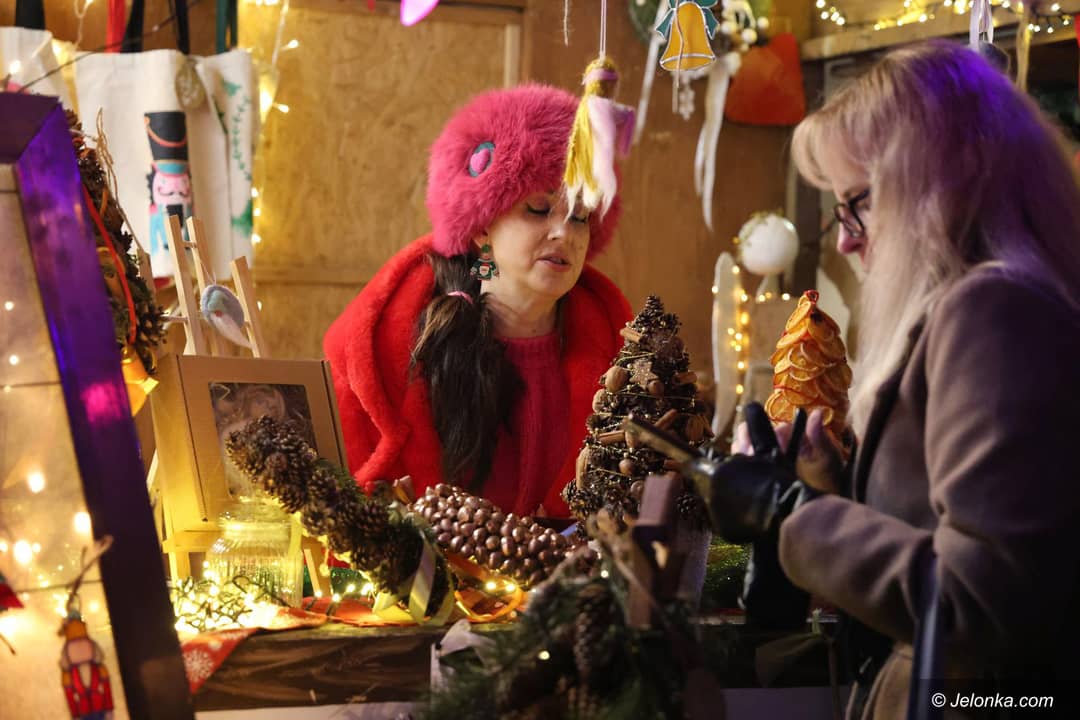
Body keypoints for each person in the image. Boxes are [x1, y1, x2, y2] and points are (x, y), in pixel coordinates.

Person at [709, 40, 1080, 718]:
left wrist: (793, 512)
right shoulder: (989, 303)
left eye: (859, 202)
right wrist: (829, 485)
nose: (845, 239)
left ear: (948, 181)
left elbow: (978, 607)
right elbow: (937, 530)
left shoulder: (993, 310)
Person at [324, 85, 632, 518]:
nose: (564, 232)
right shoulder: (403, 345)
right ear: (483, 225)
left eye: (580, 216)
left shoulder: (619, 351)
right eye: (538, 209)